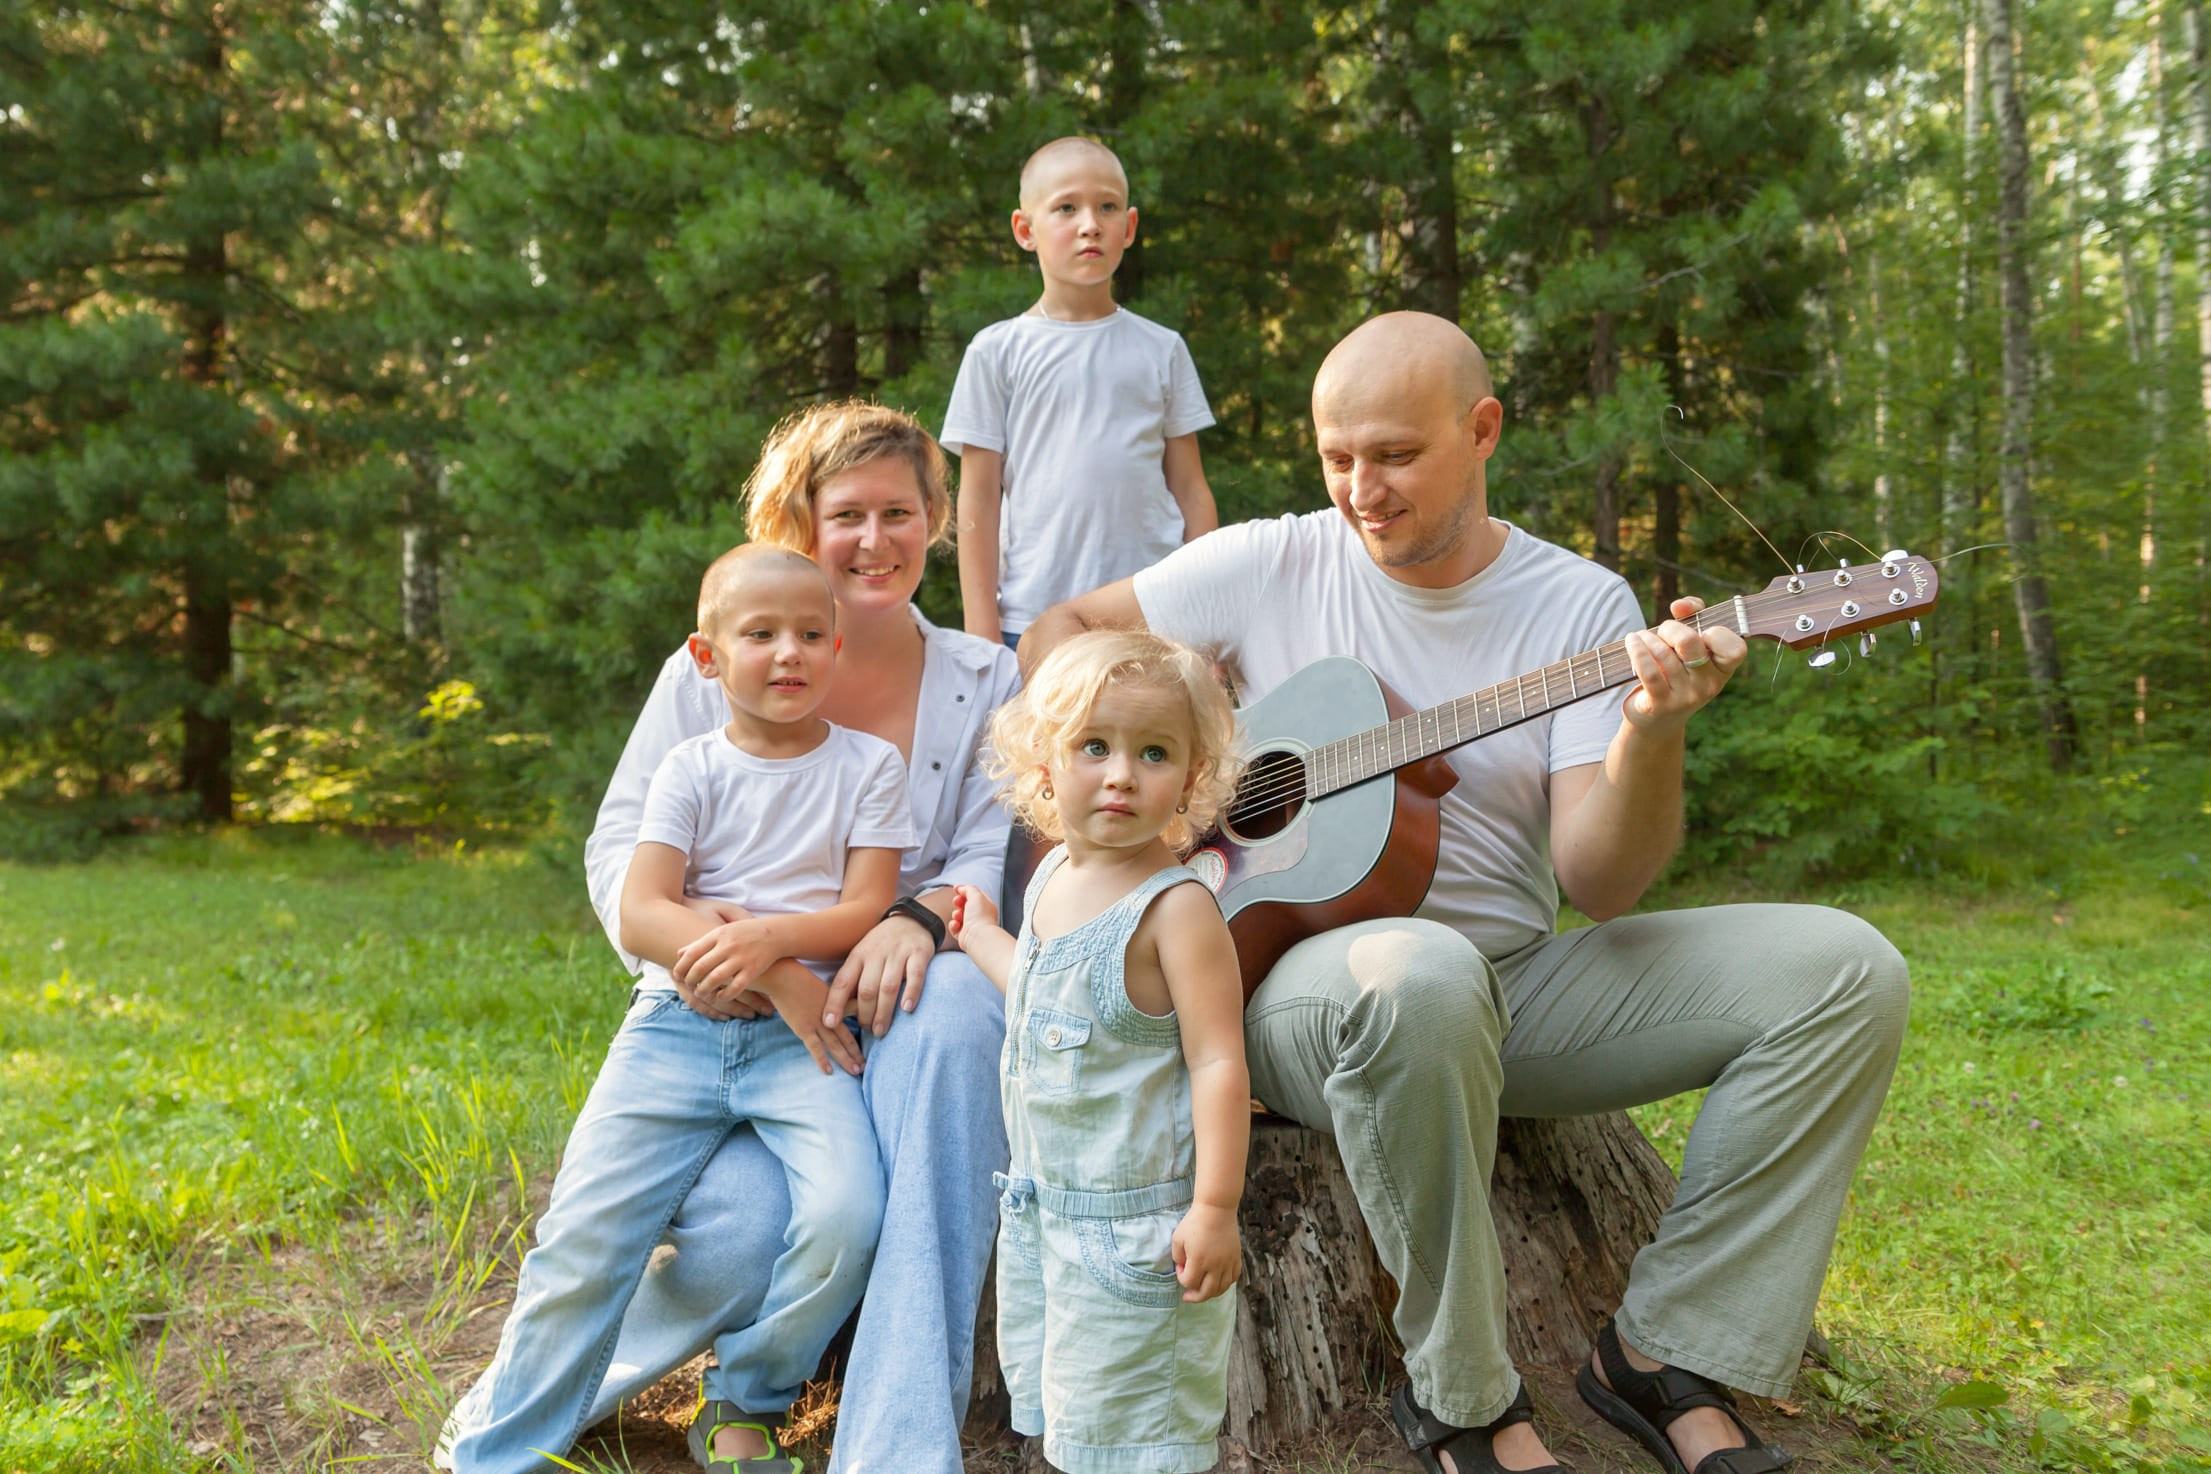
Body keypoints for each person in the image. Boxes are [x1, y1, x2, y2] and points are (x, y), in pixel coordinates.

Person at [1022, 312, 1911, 1474]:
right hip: (1285, 995)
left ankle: (1668, 1350)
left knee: (1848, 973)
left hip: (1513, 986)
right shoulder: (1272, 557)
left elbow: (1602, 880)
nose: (1360, 490)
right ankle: (1462, 1399)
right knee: (1417, 972)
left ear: (1482, 429)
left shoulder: (1580, 606)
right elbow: (1064, 627)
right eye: (1337, 457)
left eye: (1393, 455)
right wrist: (1163, 750)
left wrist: (1652, 732)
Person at [444, 402, 1020, 1474]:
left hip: (892, 1001)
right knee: (749, 1227)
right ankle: (513, 1427)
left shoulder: (988, 678)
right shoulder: (712, 667)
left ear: (938, 521)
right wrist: (734, 963)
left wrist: (913, 914)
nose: (876, 540)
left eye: (901, 512)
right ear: (797, 522)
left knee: (902, 1112)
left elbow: (982, 858)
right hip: (717, 1006)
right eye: (846, 514)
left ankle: (885, 1442)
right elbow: (624, 853)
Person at [448, 546, 910, 1474]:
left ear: (837, 649)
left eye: (811, 635)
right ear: (706, 658)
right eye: (761, 635)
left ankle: (747, 1393)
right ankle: (498, 1454)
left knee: (848, 1217)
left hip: (805, 1042)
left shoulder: (869, 766)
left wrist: (768, 943)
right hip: (672, 1029)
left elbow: (866, 905)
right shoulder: (691, 769)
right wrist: (760, 960)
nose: (789, 653)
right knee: (585, 1237)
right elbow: (643, 909)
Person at [947, 629, 1249, 1474]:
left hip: (1137, 1236)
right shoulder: (1051, 879)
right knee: (1074, 1429)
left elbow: (1217, 1061)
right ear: (1045, 762)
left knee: (1138, 1441)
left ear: (1191, 780)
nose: (1121, 774)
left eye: (1153, 753)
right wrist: (983, 941)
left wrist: (1216, 1206)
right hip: (1045, 1224)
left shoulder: (1176, 910)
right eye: (1094, 746)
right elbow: (1048, 994)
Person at [942, 136, 1218, 650]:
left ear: (1129, 227)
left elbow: (1191, 490)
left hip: (1153, 611)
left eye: (1107, 207)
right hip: (1034, 617)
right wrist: (982, 638)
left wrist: (1207, 613)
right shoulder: (995, 351)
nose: (1090, 223)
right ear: (1025, 230)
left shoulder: (1162, 348)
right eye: (1066, 207)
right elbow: (978, 499)